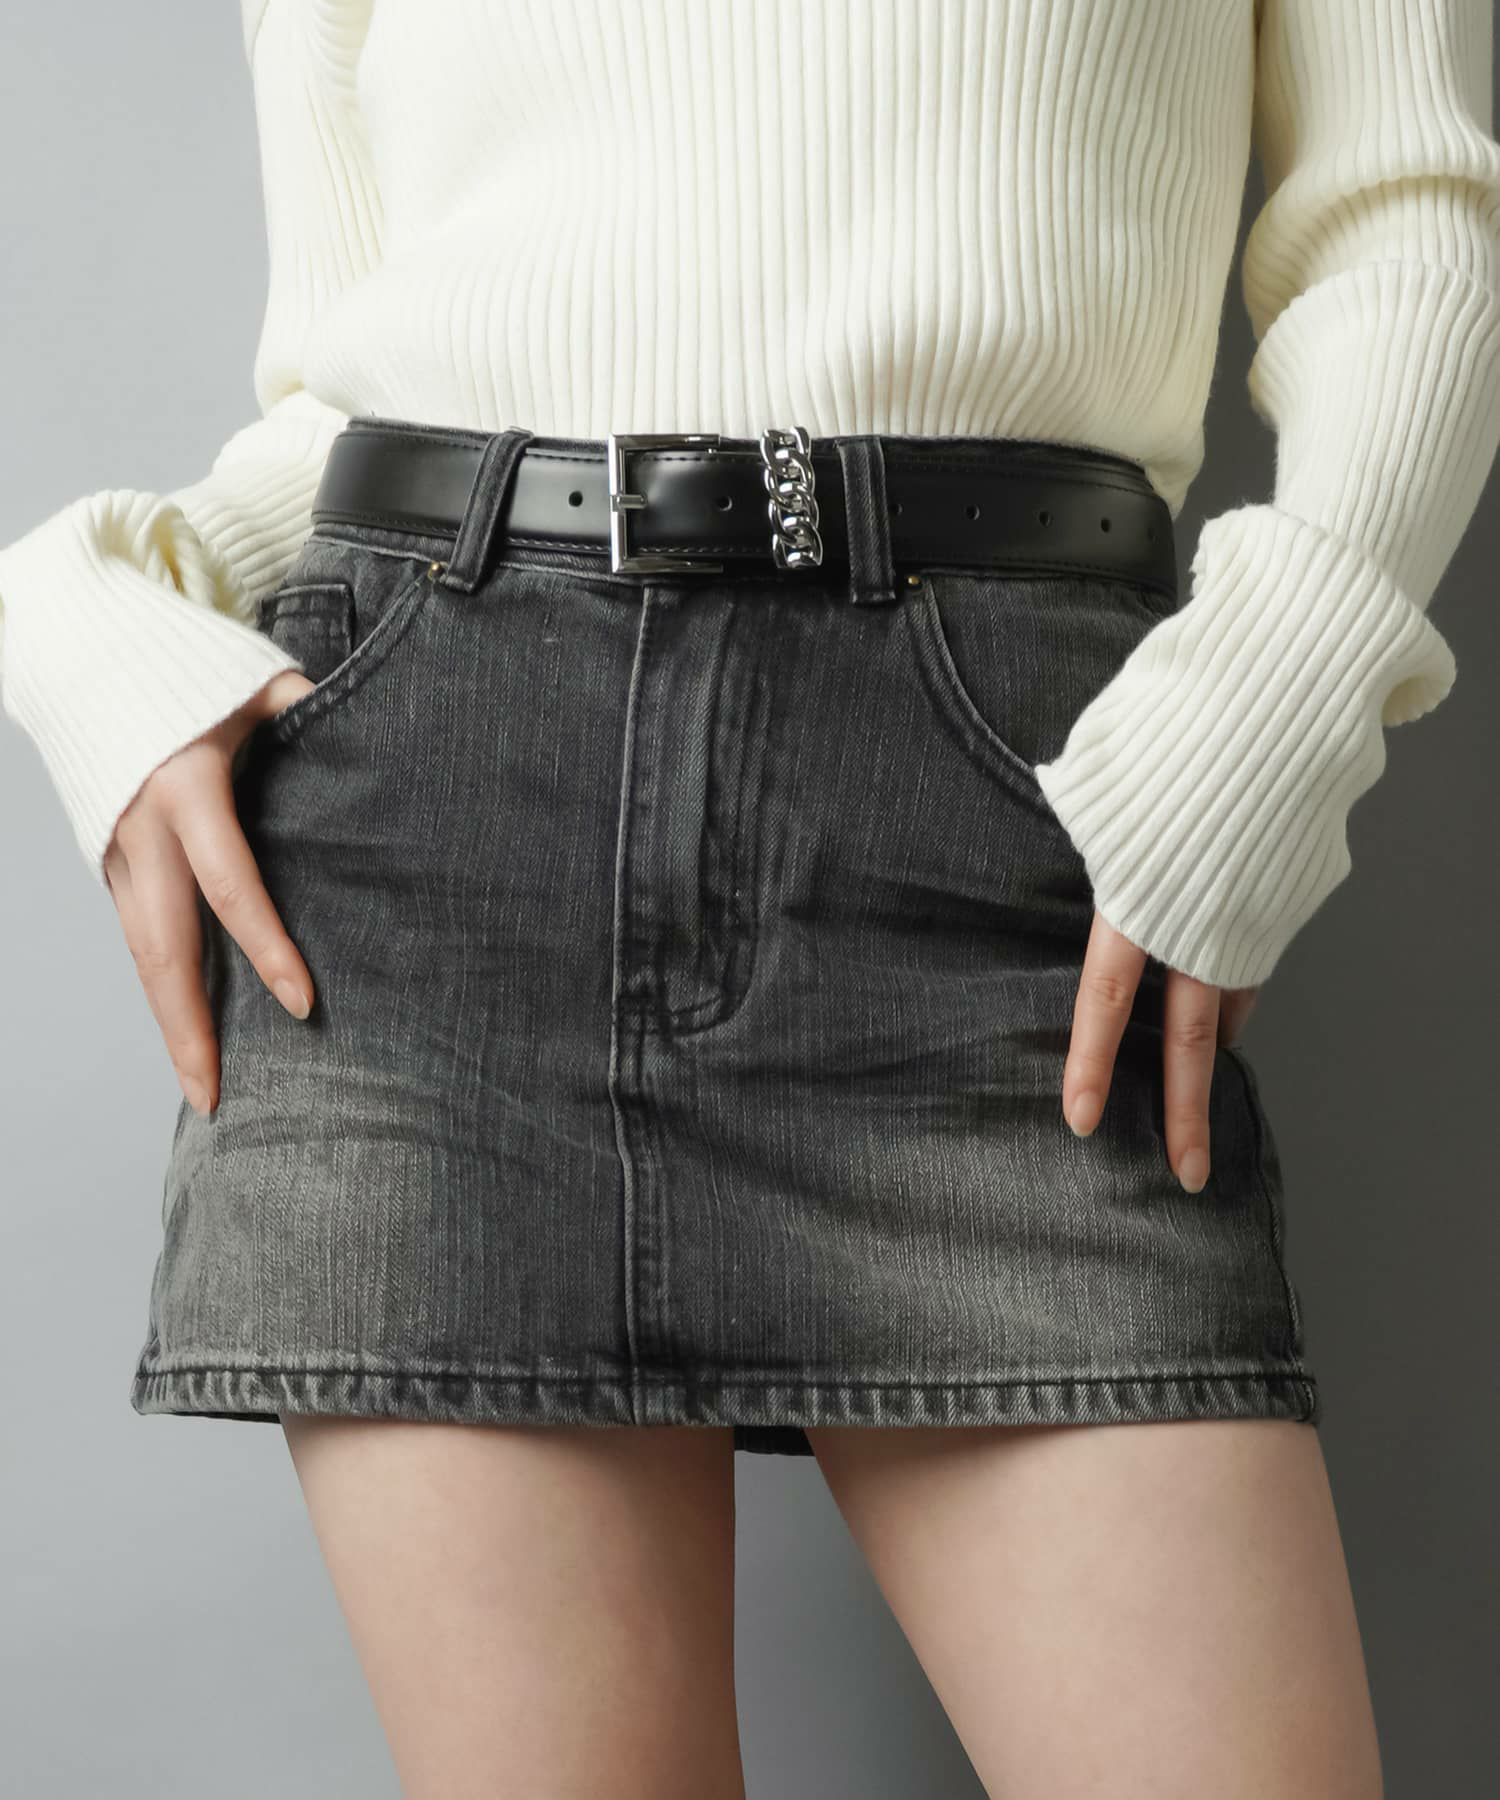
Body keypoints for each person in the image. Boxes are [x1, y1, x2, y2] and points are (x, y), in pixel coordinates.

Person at [2, 2, 1496, 1794]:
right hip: (436, 832)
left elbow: (1409, 222)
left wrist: (1274, 699)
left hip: (998, 806)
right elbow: (341, 390)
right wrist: (80, 611)